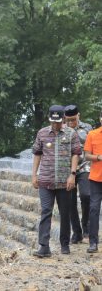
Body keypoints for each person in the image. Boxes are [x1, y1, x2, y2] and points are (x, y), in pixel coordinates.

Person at [32, 105, 81, 257]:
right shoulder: (42, 133)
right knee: (46, 211)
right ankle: (44, 246)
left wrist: (72, 174)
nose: (56, 125)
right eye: (53, 122)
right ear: (49, 119)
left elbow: (75, 154)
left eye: (58, 122)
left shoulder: (71, 133)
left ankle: (65, 244)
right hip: (45, 180)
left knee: (65, 213)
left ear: (63, 119)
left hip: (64, 181)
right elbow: (37, 154)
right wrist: (34, 174)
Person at [64, 105, 92, 243]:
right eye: (68, 120)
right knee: (69, 202)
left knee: (86, 195)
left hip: (84, 167)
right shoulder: (61, 129)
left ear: (78, 116)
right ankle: (77, 232)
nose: (70, 123)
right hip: (67, 169)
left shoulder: (87, 128)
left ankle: (86, 226)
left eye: (73, 120)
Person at [84, 112, 102, 253]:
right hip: (96, 178)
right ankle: (93, 242)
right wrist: (99, 157)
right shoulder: (92, 134)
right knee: (94, 209)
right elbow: (87, 155)